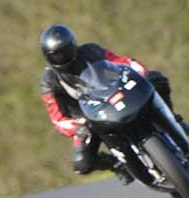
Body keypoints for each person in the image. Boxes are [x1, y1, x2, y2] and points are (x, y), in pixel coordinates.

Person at [39, 24, 186, 184]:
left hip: (114, 96)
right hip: (87, 119)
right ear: (48, 56)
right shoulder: (49, 82)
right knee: (82, 162)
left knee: (156, 79)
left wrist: (139, 73)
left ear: (73, 46)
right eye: (56, 55)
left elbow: (120, 63)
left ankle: (172, 120)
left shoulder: (90, 51)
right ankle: (117, 165)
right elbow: (57, 119)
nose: (61, 58)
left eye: (64, 51)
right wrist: (77, 128)